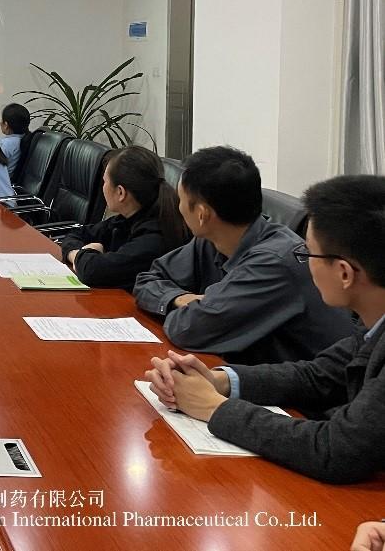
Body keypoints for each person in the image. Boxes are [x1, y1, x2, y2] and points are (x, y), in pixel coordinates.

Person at [144, 175, 385, 484]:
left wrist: (213, 407)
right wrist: (218, 381)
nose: (304, 263)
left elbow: (335, 449)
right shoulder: (372, 324)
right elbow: (318, 375)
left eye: (307, 254)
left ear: (345, 273)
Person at [134, 146, 354, 364]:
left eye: (180, 199)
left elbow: (188, 329)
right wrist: (179, 298)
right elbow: (147, 280)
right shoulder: (212, 240)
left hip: (309, 383)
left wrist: (187, 308)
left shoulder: (273, 263)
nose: (178, 207)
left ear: (202, 214)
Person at [60, 146, 189, 291]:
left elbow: (92, 271)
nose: (103, 187)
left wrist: (81, 254)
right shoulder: (127, 218)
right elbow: (76, 234)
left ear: (120, 192)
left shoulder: (154, 237)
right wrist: (80, 254)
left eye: (105, 182)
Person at [0, 103, 32, 178]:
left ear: (6, 125)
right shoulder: (24, 138)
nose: (0, 122)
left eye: (1, 119)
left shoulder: (7, 144)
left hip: (0, 182)